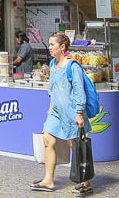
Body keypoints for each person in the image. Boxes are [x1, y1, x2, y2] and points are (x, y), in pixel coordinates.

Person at [31, 32, 93, 194]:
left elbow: (80, 92)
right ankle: (48, 180)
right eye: (50, 44)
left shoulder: (73, 67)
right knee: (47, 139)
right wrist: (51, 104)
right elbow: (53, 87)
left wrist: (79, 112)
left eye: (52, 44)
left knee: (75, 145)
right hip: (57, 112)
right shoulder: (52, 64)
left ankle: (85, 182)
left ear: (62, 47)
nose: (50, 47)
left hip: (72, 112)